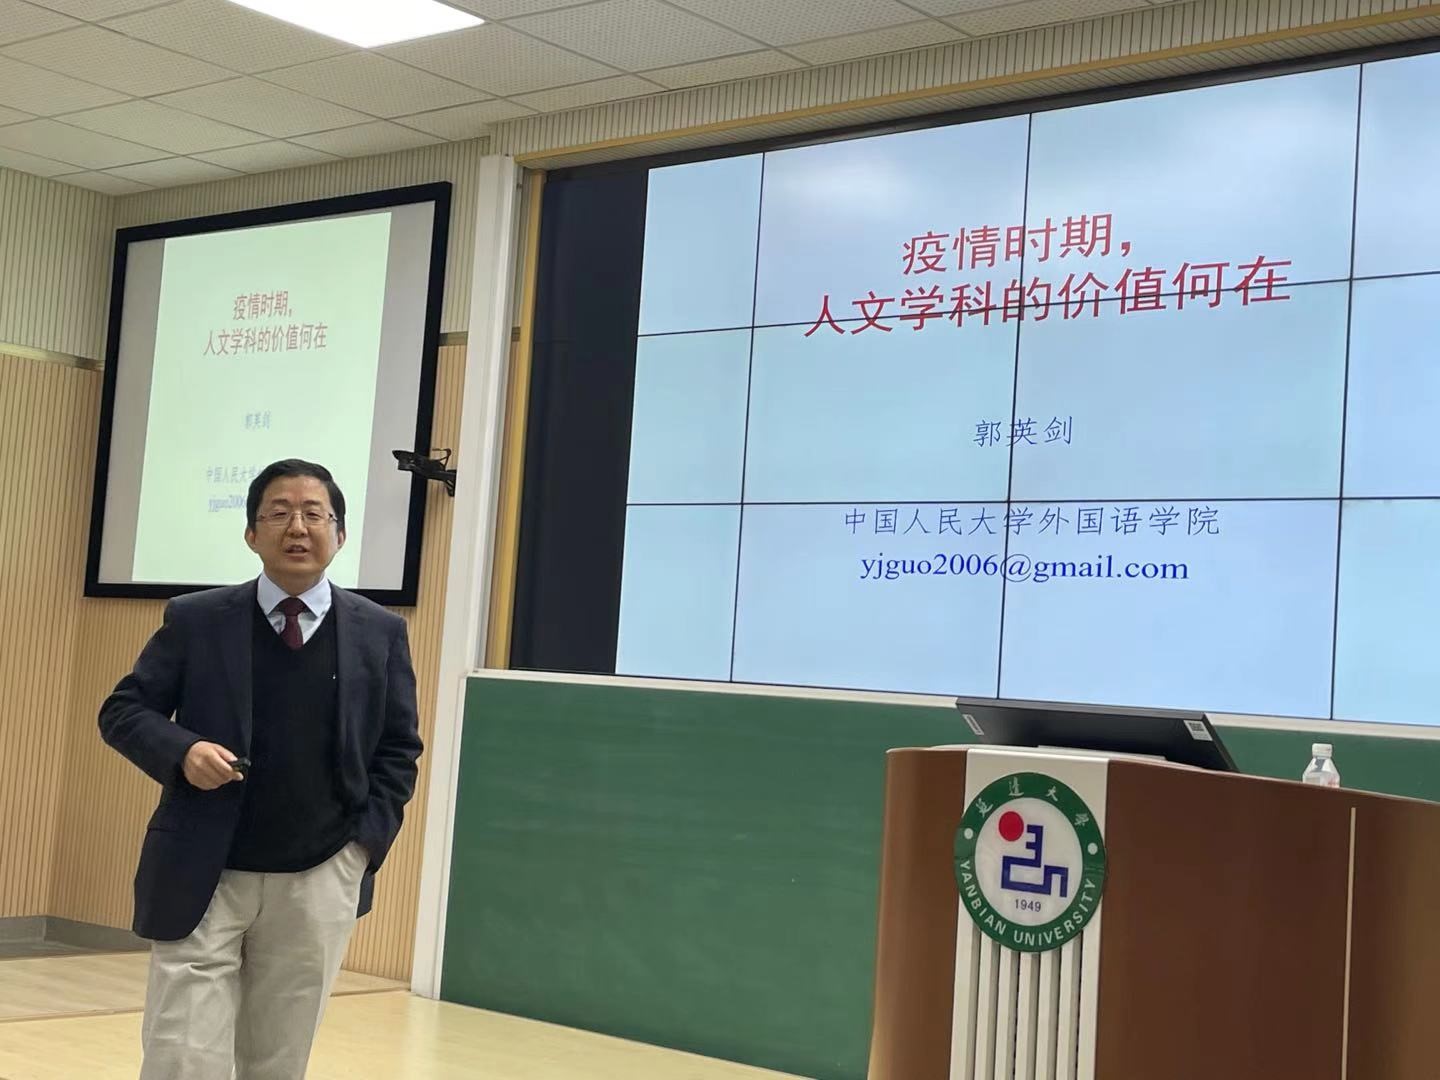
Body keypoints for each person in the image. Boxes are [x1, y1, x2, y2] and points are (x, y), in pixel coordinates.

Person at [99, 459, 423, 1080]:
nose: (297, 527)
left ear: (340, 534)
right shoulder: (198, 618)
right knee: (181, 1053)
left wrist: (361, 850)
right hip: (204, 867)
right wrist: (182, 750)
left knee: (278, 1059)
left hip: (320, 875)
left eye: (314, 514)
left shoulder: (380, 632)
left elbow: (398, 747)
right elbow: (124, 711)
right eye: (278, 513)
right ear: (251, 533)